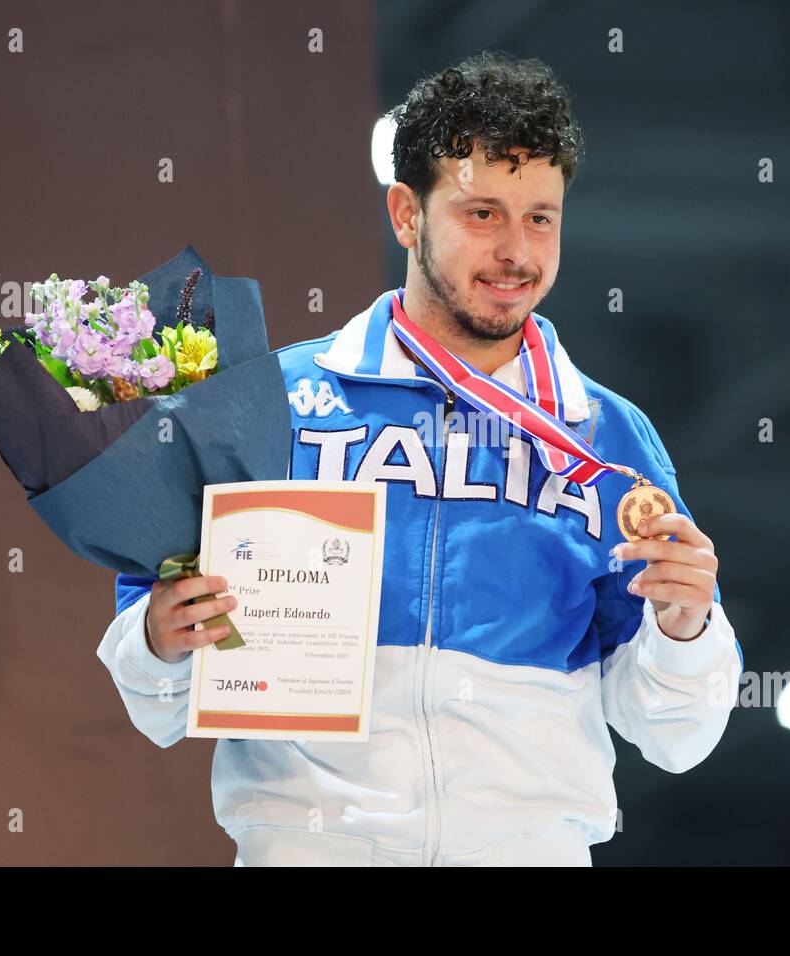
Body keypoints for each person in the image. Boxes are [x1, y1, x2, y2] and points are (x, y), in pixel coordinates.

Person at [99, 50, 744, 867]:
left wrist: (687, 628)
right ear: (407, 214)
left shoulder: (607, 436)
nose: (517, 251)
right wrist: (160, 636)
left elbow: (676, 737)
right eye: (482, 213)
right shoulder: (271, 403)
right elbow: (151, 693)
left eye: (540, 217)